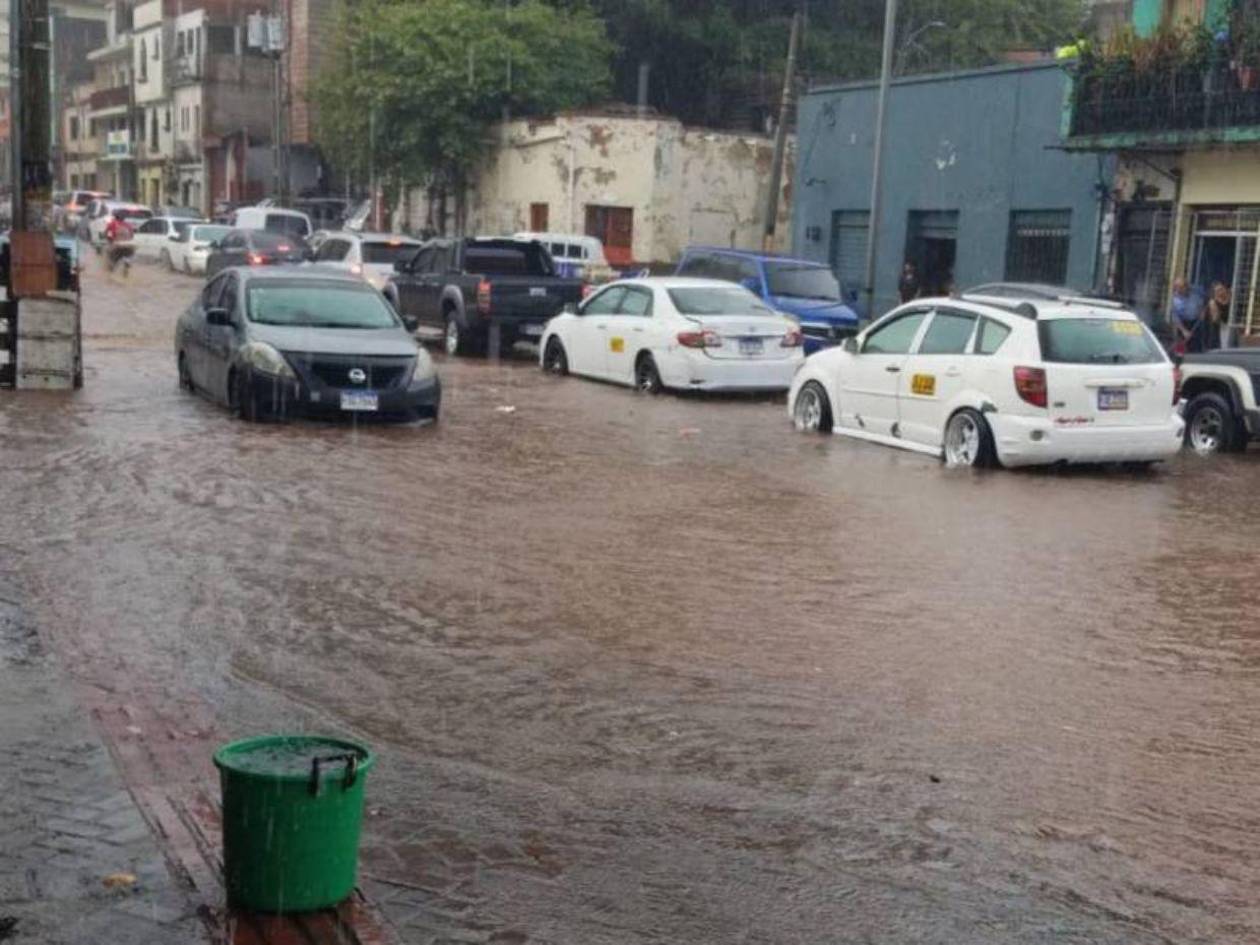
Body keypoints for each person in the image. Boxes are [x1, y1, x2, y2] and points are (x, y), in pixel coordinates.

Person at [1170, 278, 1204, 354]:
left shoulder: (1195, 296)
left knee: (1196, 348)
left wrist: (1202, 313)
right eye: (1177, 287)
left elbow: (1201, 306)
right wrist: (1184, 331)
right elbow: (1175, 318)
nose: (1179, 289)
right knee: (1181, 349)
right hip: (1183, 324)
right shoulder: (1175, 300)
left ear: (1186, 287)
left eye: (1182, 287)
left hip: (1195, 323)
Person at [104, 211, 135, 276]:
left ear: (115, 217)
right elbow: (132, 236)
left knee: (109, 254)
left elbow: (108, 234)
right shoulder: (128, 225)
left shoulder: (112, 224)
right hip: (128, 246)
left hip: (117, 246)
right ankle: (127, 264)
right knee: (130, 254)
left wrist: (110, 240)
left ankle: (111, 269)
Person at [1203, 282, 1232, 351]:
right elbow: (1215, 318)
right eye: (1217, 290)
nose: (1220, 292)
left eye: (1221, 289)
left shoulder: (1231, 299)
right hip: (1220, 327)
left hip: (1231, 325)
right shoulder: (1213, 302)